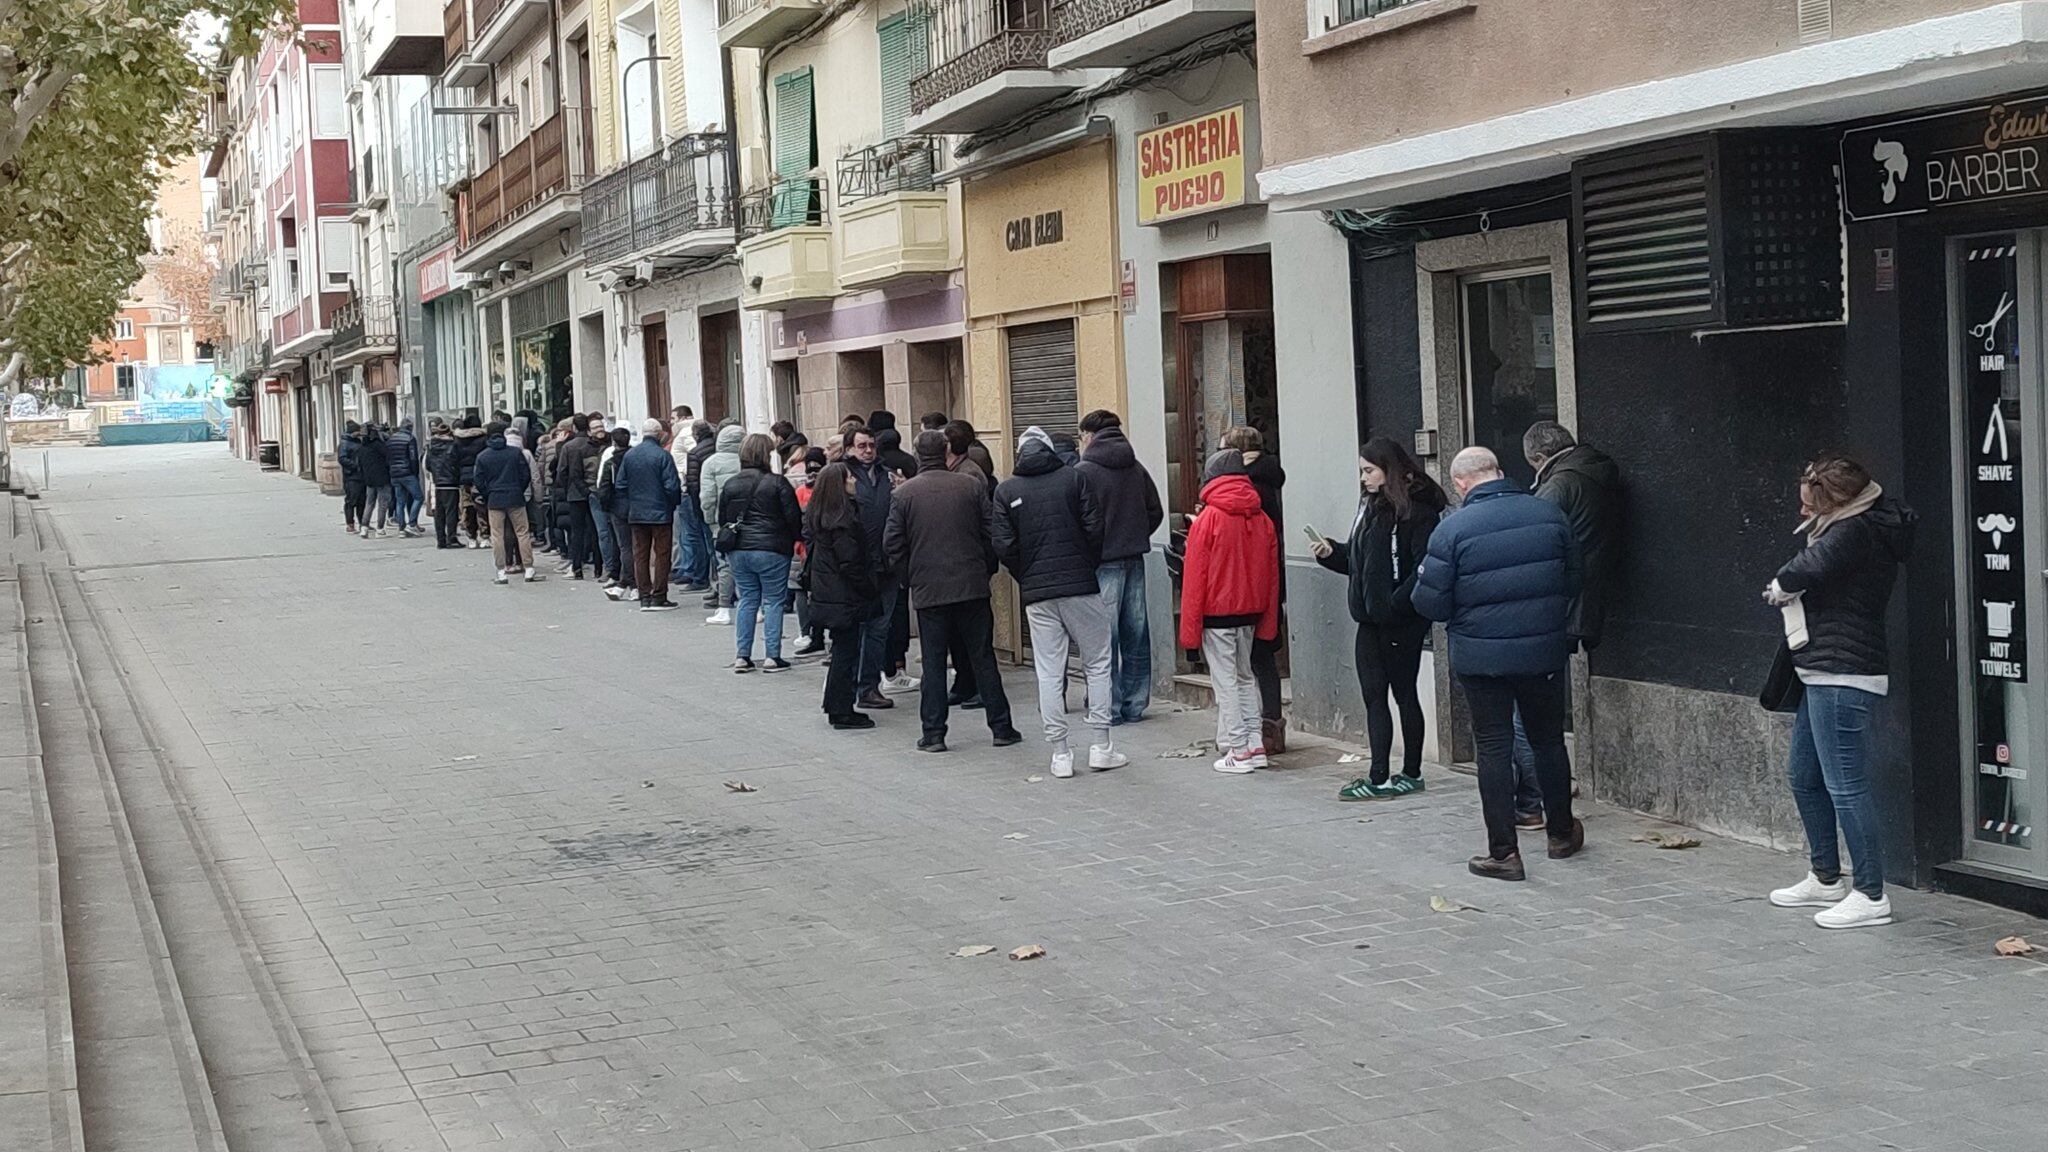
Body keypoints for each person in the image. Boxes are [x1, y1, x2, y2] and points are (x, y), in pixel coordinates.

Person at [1412, 446, 1582, 881]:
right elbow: (1575, 578)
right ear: (1500, 472)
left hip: (1480, 656)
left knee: (1493, 746)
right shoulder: (1548, 515)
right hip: (1541, 652)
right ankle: (1561, 834)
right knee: (1547, 741)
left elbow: (1430, 603)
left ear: (1460, 484)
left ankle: (1503, 853)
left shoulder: (1452, 529)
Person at [1763, 454, 1914, 930]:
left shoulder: (1854, 531)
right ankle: (1825, 876)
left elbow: (1795, 574)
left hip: (1842, 672)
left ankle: (1870, 894)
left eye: (1809, 507)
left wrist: (1781, 587)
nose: (1803, 515)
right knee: (1803, 775)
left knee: (1846, 787)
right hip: (1822, 669)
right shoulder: (1855, 525)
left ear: (1836, 505)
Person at [1312, 438, 1447, 800]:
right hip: (1369, 619)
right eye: (1361, 471)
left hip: (1400, 620)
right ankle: (1380, 775)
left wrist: (1394, 605)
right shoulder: (1370, 509)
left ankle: (1409, 772)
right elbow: (1360, 566)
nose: (1364, 479)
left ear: (1390, 470)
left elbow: (1422, 568)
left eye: (1369, 471)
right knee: (1374, 696)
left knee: (1404, 695)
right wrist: (1331, 553)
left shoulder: (1418, 511)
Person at [1506, 421, 1626, 826]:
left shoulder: (1560, 485)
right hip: (1581, 603)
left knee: (1529, 717)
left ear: (1539, 458)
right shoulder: (1597, 471)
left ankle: (1533, 802)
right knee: (1542, 715)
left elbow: (1530, 537)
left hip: (1554, 608)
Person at [993, 427, 1124, 778]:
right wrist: (1086, 564)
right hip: (1081, 585)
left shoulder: (1007, 490)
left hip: (1038, 595)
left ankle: (1060, 753)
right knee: (1097, 663)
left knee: (1049, 671)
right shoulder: (1074, 479)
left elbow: (1004, 546)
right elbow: (1095, 527)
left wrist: (1028, 575)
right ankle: (1101, 745)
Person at [884, 429, 1021, 753]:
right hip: (971, 585)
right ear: (946, 450)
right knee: (983, 658)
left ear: (917, 454)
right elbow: (992, 532)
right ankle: (1001, 727)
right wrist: (983, 567)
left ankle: (933, 734)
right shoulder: (971, 486)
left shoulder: (904, 495)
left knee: (932, 664)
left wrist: (911, 577)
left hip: (930, 590)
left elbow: (892, 544)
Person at [1178, 450, 1282, 775]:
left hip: (1216, 615)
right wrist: (1268, 621)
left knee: (1226, 684)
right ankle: (1255, 745)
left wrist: (1189, 632)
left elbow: (1195, 579)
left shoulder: (1208, 519)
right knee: (1245, 678)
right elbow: (1271, 575)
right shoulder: (1261, 517)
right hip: (1249, 614)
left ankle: (1238, 751)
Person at [1077, 410, 1165, 724]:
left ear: (1088, 435)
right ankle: (1134, 704)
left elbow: (1079, 522)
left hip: (1102, 564)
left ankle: (1108, 709)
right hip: (1135, 559)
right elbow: (1156, 511)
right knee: (1136, 634)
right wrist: (1137, 535)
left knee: (1103, 638)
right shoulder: (1136, 468)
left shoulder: (1084, 471)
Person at [1224, 426, 1288, 752]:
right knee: (1263, 656)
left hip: (1251, 581)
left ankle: (1259, 731)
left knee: (1251, 660)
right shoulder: (1267, 480)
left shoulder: (1250, 488)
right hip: (1268, 578)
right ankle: (1271, 727)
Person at [805, 461, 883, 728]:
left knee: (843, 651)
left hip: (833, 594)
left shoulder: (826, 516)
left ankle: (836, 705)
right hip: (844, 597)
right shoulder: (842, 522)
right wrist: (869, 590)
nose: (854, 480)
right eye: (849, 477)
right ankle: (841, 709)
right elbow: (850, 564)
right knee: (846, 653)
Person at [718, 433, 804, 671]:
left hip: (740, 550)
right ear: (766, 454)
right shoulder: (777, 482)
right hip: (772, 549)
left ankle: (742, 656)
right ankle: (772, 656)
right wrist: (797, 538)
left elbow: (722, 518)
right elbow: (792, 517)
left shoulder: (731, 483)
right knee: (773, 601)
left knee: (747, 600)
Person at [845, 426, 901, 711]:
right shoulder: (841, 476)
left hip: (886, 565)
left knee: (879, 629)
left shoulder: (887, 475)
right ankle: (849, 687)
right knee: (855, 629)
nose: (867, 450)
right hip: (855, 567)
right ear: (849, 449)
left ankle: (869, 687)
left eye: (871, 445)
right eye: (861, 446)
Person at [614, 418, 682, 611]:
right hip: (660, 512)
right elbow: (671, 486)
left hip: (637, 512)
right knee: (662, 554)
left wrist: (633, 500)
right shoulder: (663, 456)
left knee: (640, 555)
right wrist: (672, 503)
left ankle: (644, 595)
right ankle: (659, 596)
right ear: (659, 434)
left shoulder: (630, 456)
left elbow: (620, 484)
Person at [472, 421, 544, 584]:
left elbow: (478, 479)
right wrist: (518, 488)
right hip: (515, 497)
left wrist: (487, 493)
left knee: (497, 535)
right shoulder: (515, 453)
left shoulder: (483, 456)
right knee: (522, 532)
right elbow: (525, 474)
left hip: (495, 499)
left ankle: (501, 571)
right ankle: (529, 569)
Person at [698, 422, 746, 624]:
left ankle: (724, 608)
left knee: (725, 565)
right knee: (746, 565)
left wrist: (710, 520)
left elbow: (707, 497)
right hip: (749, 521)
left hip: (722, 523)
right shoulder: (748, 461)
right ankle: (752, 605)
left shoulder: (711, 463)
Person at [554, 414, 600, 579]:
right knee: (595, 529)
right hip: (592, 489)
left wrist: (566, 488)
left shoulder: (568, 446)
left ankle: (577, 567)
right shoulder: (593, 444)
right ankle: (598, 567)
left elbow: (562, 471)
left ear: (574, 427)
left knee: (577, 531)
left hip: (575, 493)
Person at [598, 428, 636, 598]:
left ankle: (630, 583)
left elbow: (604, 488)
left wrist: (605, 506)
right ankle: (633, 585)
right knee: (639, 547)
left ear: (613, 442)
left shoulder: (611, 463)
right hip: (637, 505)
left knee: (625, 546)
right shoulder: (636, 460)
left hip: (618, 507)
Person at [680, 418, 716, 592]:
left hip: (704, 502)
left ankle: (707, 581)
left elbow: (693, 484)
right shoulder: (718, 447)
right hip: (722, 501)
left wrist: (696, 509)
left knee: (704, 542)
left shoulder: (695, 453)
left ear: (695, 435)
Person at [425, 418, 461, 549]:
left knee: (439, 512)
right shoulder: (454, 446)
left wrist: (436, 474)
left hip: (438, 482)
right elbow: (458, 463)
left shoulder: (431, 447)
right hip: (451, 482)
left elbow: (428, 465)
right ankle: (452, 538)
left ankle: (441, 540)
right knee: (451, 511)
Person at [454, 414, 489, 548]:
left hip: (464, 478)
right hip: (479, 477)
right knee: (481, 506)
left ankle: (471, 537)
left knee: (468, 507)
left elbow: (455, 460)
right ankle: (485, 535)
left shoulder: (457, 440)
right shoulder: (483, 439)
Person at [387, 420, 423, 536]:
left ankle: (401, 528)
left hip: (394, 474)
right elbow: (413, 458)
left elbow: (388, 458)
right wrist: (415, 473)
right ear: (410, 427)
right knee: (419, 497)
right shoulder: (410, 438)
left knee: (400, 501)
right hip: (407, 473)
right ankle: (412, 524)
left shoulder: (391, 439)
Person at [357, 423, 393, 538]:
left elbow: (360, 464)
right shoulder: (379, 445)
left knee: (369, 503)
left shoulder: (362, 447)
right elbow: (388, 458)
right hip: (382, 478)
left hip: (369, 480)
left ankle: (364, 527)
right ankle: (380, 528)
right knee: (383, 504)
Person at [338, 421, 365, 534]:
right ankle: (350, 524)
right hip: (351, 476)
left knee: (362, 501)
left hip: (360, 476)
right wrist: (356, 466)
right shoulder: (345, 443)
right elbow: (342, 458)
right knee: (351, 500)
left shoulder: (357, 441)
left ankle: (362, 523)